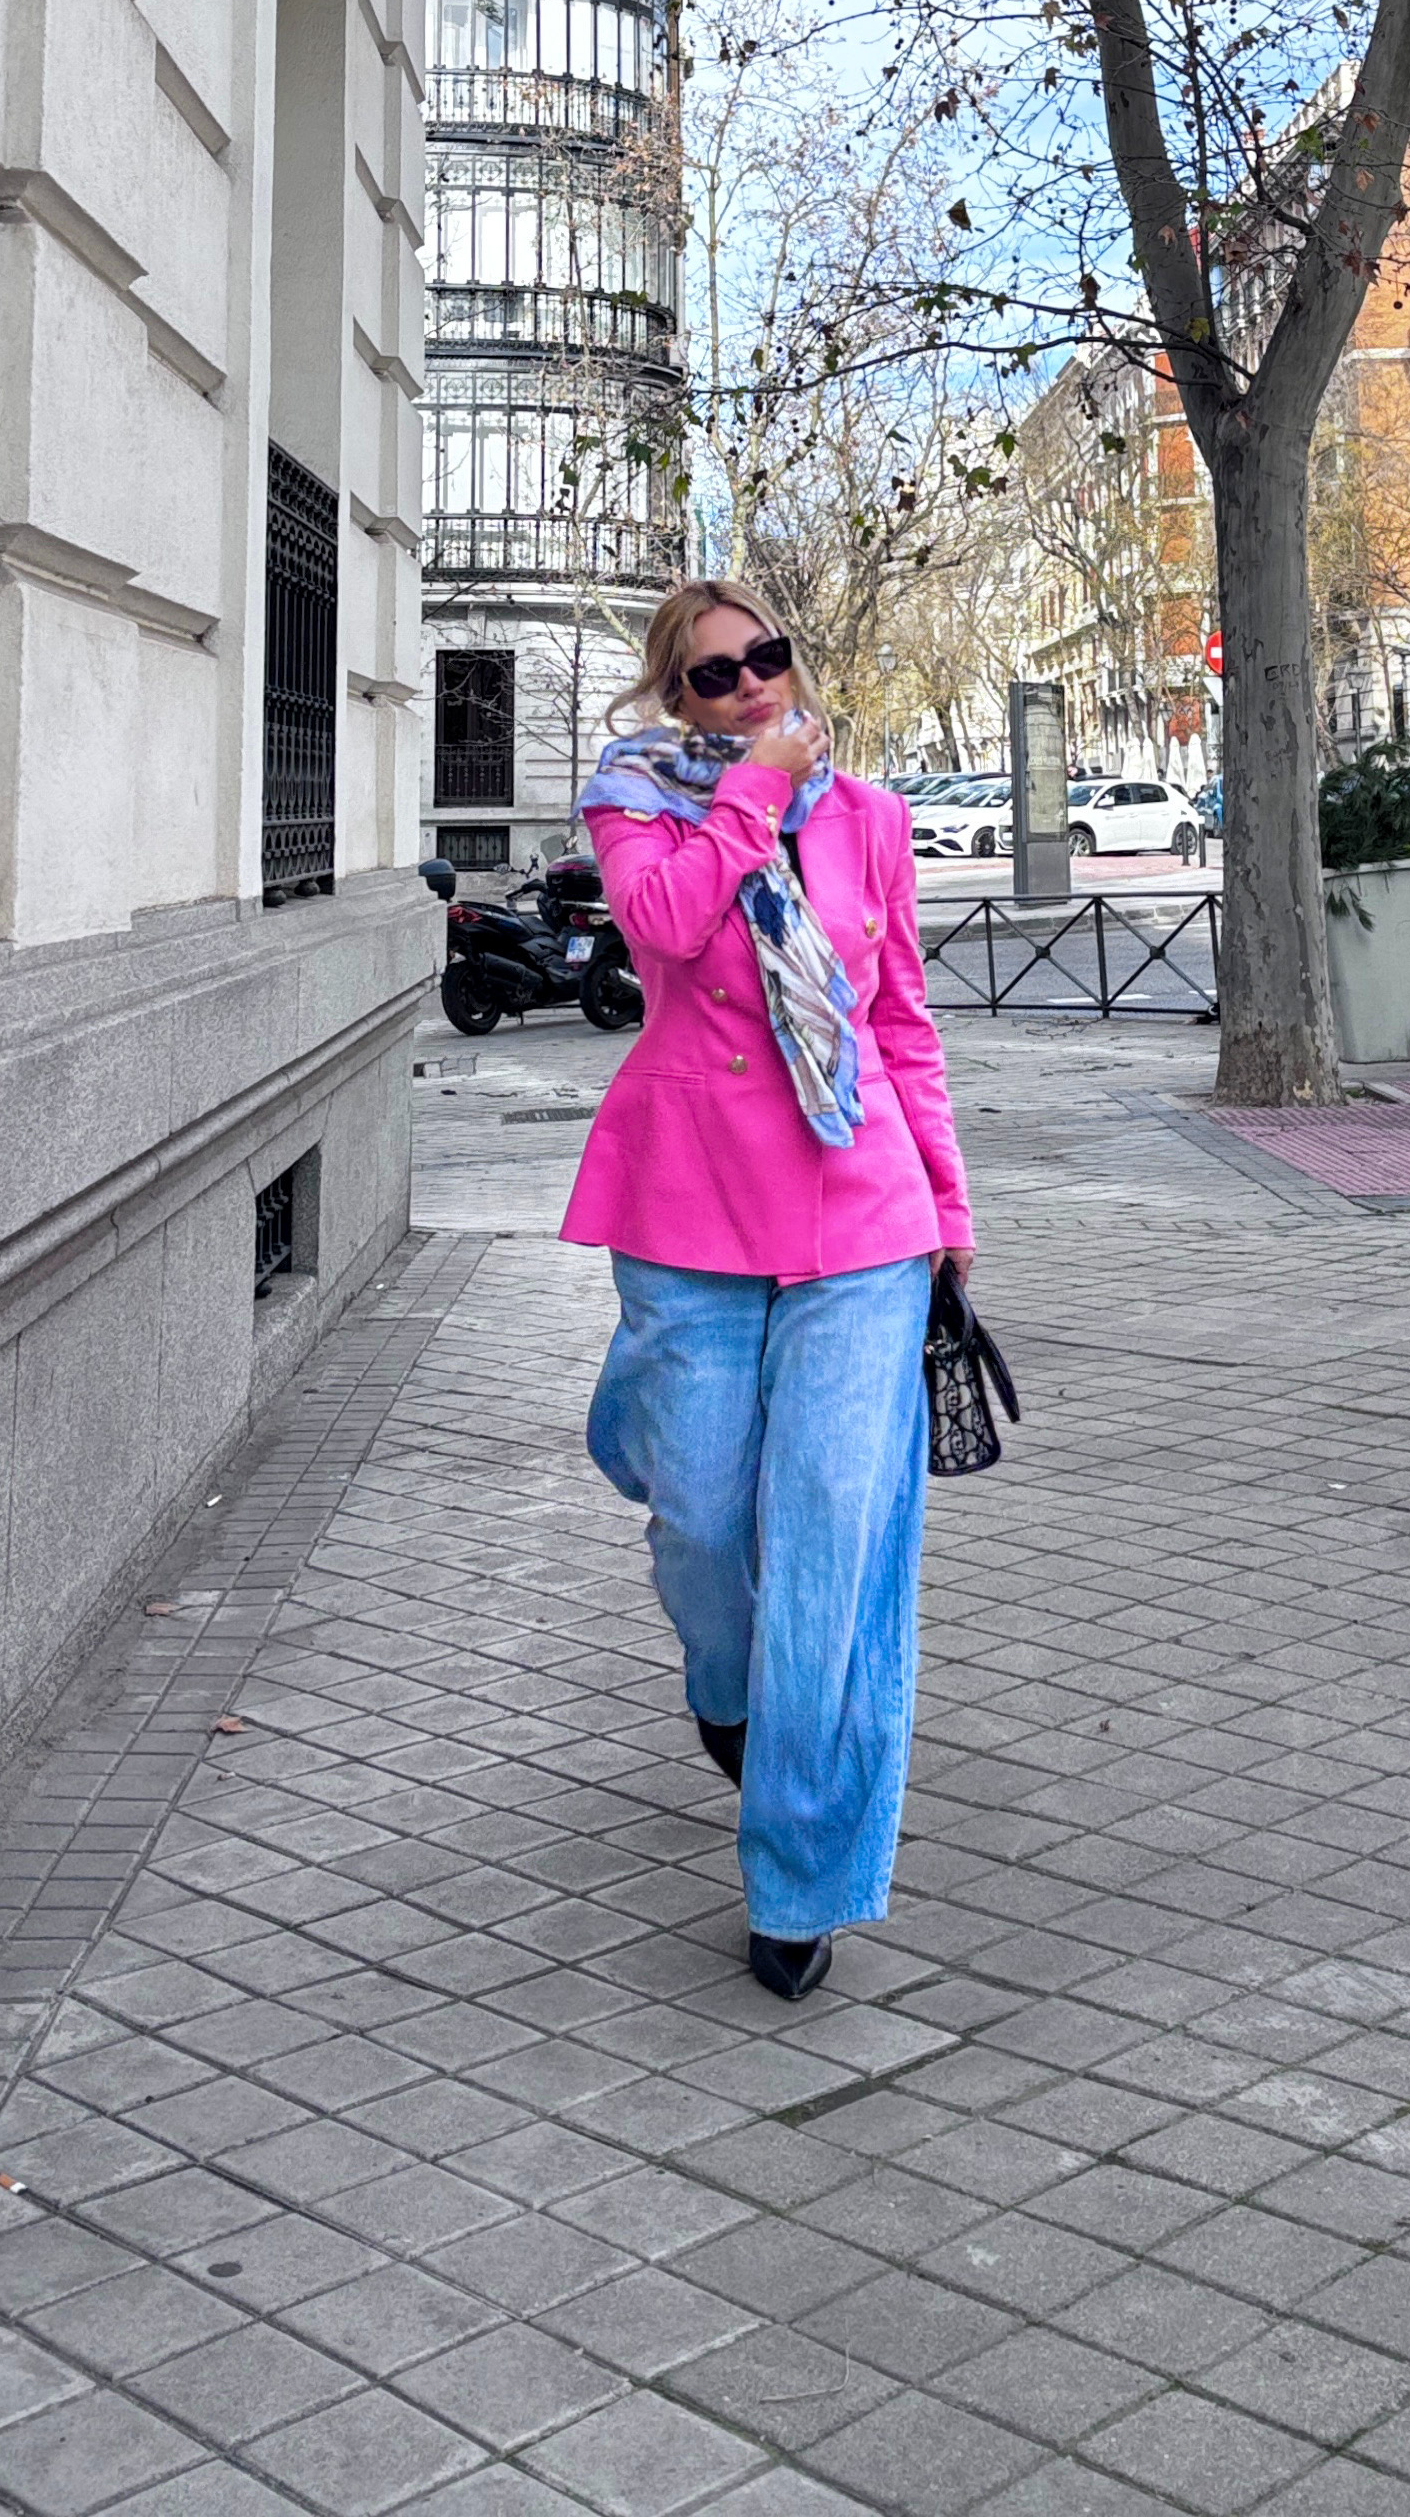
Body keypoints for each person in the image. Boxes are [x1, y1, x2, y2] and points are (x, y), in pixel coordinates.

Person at [561, 580, 973, 2001]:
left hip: (862, 1213)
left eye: (766, 659)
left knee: (829, 1548)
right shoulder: (636, 805)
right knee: (701, 1526)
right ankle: (727, 1689)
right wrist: (750, 792)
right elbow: (666, 930)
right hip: (690, 1212)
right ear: (672, 699)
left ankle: (801, 1874)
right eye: (712, 675)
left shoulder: (872, 819)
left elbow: (900, 1022)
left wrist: (949, 1206)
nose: (748, 685)